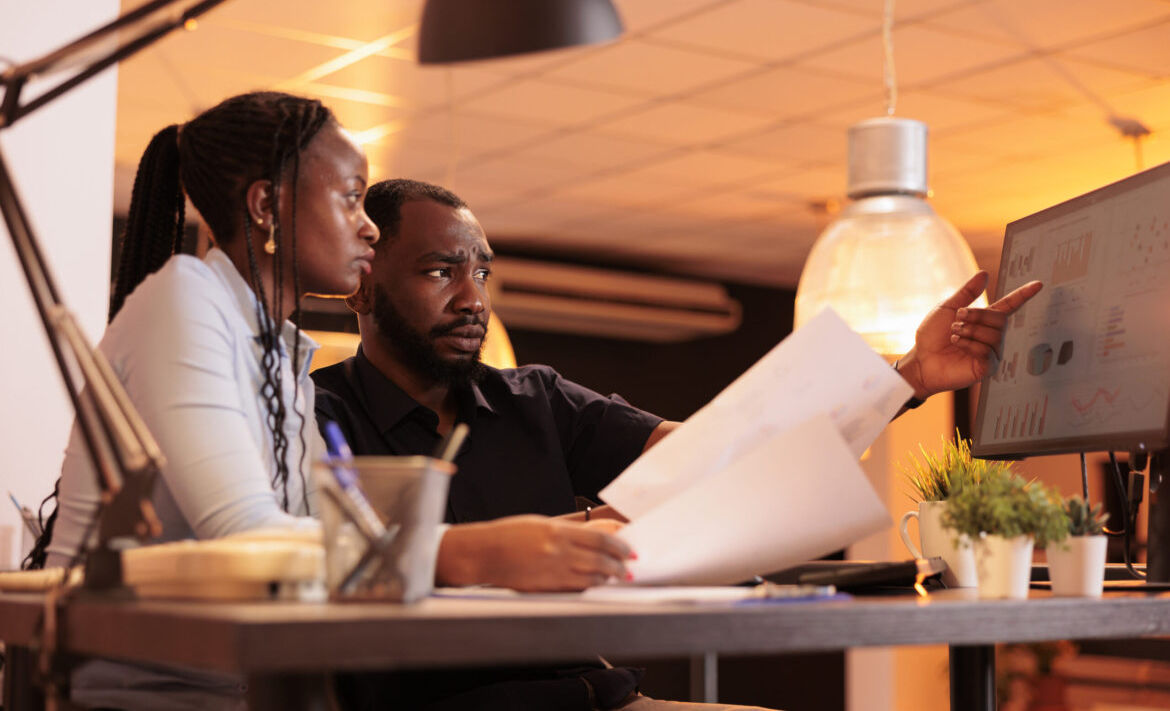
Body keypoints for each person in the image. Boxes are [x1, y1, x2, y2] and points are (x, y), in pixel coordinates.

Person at [312, 178, 1043, 710]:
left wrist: (910, 376)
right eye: (441, 271)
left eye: (481, 271)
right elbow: (334, 575)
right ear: (363, 288)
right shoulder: (317, 414)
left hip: (598, 698)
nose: (473, 297)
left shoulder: (532, 396)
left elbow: (723, 452)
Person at [38, 91, 379, 710]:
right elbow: (246, 537)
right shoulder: (184, 300)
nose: (369, 224)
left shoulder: (282, 355)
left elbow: (310, 539)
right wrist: (462, 554)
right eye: (351, 195)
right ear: (266, 205)